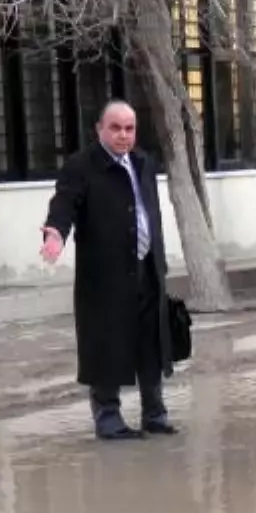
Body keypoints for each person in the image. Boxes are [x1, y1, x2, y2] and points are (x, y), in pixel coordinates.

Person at [40, 99, 176, 440]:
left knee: (151, 343)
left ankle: (154, 414)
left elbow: (149, 213)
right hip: (105, 275)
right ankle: (108, 418)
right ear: (99, 129)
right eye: (115, 128)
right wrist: (56, 231)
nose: (123, 135)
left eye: (129, 128)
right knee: (106, 342)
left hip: (146, 267)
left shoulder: (143, 162)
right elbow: (64, 203)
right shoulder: (81, 166)